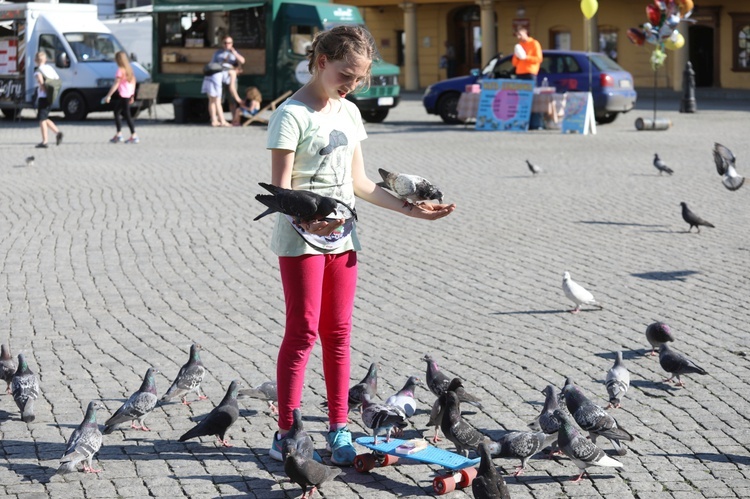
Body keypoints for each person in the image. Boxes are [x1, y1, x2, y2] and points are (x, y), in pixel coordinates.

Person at [264, 25, 456, 466]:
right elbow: (278, 191)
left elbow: (361, 183)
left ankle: (338, 428)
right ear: (321, 62)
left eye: (359, 78)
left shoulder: (349, 113)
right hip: (301, 240)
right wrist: (309, 214)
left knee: (338, 333)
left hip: (345, 237)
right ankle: (287, 432)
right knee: (303, 331)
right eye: (346, 75)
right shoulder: (291, 115)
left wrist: (412, 210)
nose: (352, 85)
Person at [103, 51, 139, 143]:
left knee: (127, 115)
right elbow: (133, 82)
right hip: (128, 94)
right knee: (117, 112)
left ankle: (133, 135)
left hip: (123, 94)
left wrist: (108, 95)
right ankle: (119, 134)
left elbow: (116, 84)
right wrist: (132, 95)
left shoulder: (120, 70)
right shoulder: (129, 69)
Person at [33, 51, 63, 148]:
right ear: (45, 59)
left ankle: (44, 141)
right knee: (44, 117)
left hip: (43, 97)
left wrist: (44, 91)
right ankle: (58, 133)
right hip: (51, 96)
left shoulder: (38, 70)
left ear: (35, 60)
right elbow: (57, 79)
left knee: (42, 119)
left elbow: (41, 83)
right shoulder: (49, 68)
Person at [211, 36, 244, 114]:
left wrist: (234, 53)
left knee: (232, 100)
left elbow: (242, 61)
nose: (227, 45)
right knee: (219, 100)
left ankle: (234, 119)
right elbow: (212, 64)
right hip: (220, 77)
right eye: (225, 43)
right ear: (222, 44)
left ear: (232, 44)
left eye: (229, 43)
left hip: (231, 77)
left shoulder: (235, 52)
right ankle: (220, 119)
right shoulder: (218, 53)